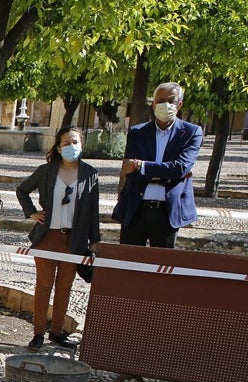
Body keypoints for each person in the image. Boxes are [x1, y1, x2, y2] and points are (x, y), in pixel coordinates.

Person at [15, 126, 101, 350]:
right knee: (44, 286)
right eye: (66, 143)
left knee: (65, 287)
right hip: (47, 237)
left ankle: (57, 332)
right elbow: (22, 190)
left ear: (81, 144)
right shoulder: (46, 171)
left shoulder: (90, 174)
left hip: (74, 240)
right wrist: (32, 212)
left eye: (75, 142)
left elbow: (93, 209)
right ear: (58, 147)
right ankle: (38, 334)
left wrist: (95, 241)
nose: (71, 147)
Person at [112, 81, 203, 248]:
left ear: (179, 104)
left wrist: (143, 166)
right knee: (129, 264)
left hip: (167, 212)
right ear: (153, 104)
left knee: (161, 267)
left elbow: (181, 168)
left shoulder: (191, 132)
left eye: (171, 100)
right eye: (160, 100)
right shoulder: (137, 132)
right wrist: (169, 174)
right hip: (136, 209)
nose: (165, 105)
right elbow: (130, 171)